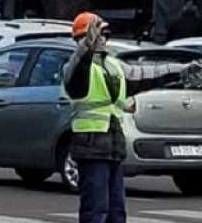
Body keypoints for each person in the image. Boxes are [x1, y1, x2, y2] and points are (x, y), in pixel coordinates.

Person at [63, 12, 202, 223]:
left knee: (116, 211)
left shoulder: (115, 65)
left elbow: (148, 74)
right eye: (96, 35)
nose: (102, 39)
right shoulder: (76, 69)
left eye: (104, 35)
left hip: (113, 146)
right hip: (91, 147)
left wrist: (181, 71)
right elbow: (78, 67)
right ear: (82, 39)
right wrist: (86, 47)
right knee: (95, 210)